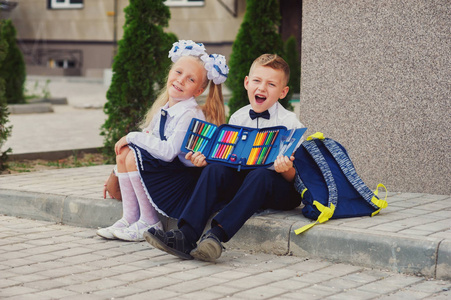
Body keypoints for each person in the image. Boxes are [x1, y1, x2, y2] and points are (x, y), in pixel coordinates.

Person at [144, 54, 304, 261]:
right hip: (246, 184)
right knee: (214, 169)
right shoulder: (238, 117)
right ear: (247, 83)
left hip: (279, 189)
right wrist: (205, 161)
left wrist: (286, 169)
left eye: (271, 84)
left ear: (283, 92)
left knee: (261, 175)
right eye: (257, 81)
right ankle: (186, 235)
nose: (262, 88)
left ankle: (215, 236)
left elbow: (296, 179)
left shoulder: (290, 122)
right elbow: (228, 160)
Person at [97, 40, 228, 242]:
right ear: (169, 72)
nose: (181, 80)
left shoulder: (189, 114)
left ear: (198, 91)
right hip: (169, 169)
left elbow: (167, 152)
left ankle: (149, 221)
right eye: (178, 72)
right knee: (126, 152)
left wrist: (132, 135)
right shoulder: (166, 107)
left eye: (191, 79)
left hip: (183, 180)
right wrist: (116, 170)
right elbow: (150, 138)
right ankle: (130, 217)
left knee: (132, 152)